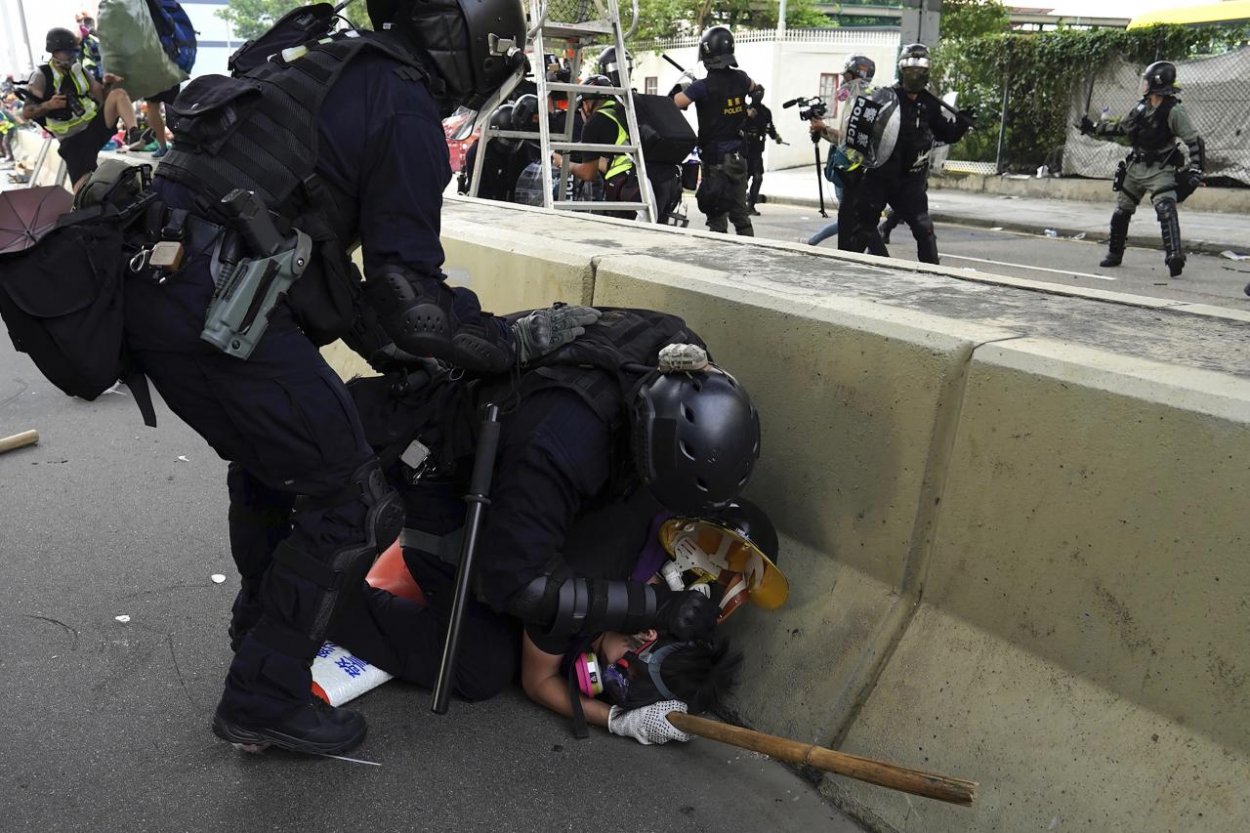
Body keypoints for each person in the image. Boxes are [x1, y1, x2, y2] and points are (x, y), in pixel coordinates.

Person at [117, 0, 608, 758]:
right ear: (472, 36)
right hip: (214, 306)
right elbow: (414, 302)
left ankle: (262, 637)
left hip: (159, 285)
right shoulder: (403, 103)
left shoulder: (328, 64)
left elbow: (327, 268)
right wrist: (510, 340)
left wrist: (404, 352)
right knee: (352, 500)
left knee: (273, 468)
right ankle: (263, 694)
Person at [329, 306, 765, 741]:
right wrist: (652, 609)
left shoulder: (686, 367)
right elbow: (515, 582)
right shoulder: (562, 446)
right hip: (437, 465)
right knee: (479, 664)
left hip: (509, 439)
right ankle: (319, 599)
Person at [1079, 60, 1204, 277]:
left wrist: (1196, 169)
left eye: (1147, 81)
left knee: (1165, 209)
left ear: (1157, 83)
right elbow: (1123, 129)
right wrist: (1094, 128)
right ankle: (1115, 253)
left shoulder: (1174, 111)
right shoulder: (1140, 108)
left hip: (1160, 169)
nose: (1144, 85)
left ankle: (1174, 256)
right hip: (1136, 166)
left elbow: (1194, 141)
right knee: (1122, 210)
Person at [849, 44, 972, 264]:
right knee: (863, 228)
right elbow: (860, 132)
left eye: (920, 71)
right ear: (902, 71)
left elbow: (946, 134)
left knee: (924, 227)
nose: (915, 75)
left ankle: (932, 274)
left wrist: (961, 124)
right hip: (880, 175)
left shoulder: (929, 103)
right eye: (910, 71)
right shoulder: (883, 97)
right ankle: (850, 270)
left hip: (910, 180)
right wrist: (857, 167)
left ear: (927, 72)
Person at [21, 27, 141, 190]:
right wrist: (48, 105)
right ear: (54, 52)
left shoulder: (80, 71)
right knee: (82, 190)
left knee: (118, 94)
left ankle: (134, 133)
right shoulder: (42, 76)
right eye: (67, 52)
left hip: (93, 128)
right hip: (72, 140)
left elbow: (102, 99)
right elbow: (26, 112)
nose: (72, 56)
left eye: (74, 52)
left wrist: (107, 84)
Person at [673, 25, 757, 236]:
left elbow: (676, 102)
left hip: (715, 160)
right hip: (738, 157)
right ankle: (752, 252)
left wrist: (686, 87)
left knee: (717, 216)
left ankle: (718, 256)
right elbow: (757, 89)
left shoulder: (702, 86)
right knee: (740, 215)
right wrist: (746, 112)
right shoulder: (742, 78)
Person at [805, 54, 875, 250]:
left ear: (858, 75)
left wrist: (825, 128)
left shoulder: (864, 103)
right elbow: (842, 140)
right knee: (853, 218)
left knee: (853, 218)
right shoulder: (855, 101)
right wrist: (822, 130)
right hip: (845, 168)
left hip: (853, 171)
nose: (844, 79)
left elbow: (851, 139)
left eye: (847, 75)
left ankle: (814, 242)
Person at [558, 74, 641, 219]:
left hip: (625, 185)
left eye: (580, 107)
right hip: (648, 178)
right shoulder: (623, 111)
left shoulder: (594, 122)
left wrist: (562, 163)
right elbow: (616, 157)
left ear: (587, 103)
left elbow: (588, 174)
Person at [742, 85, 781, 215]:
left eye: (761, 93)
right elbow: (736, 125)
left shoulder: (765, 112)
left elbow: (769, 127)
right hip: (745, 148)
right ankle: (739, 204)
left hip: (757, 150)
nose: (759, 95)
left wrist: (776, 136)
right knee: (743, 178)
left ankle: (751, 205)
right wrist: (747, 115)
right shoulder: (744, 109)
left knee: (758, 177)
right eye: (756, 93)